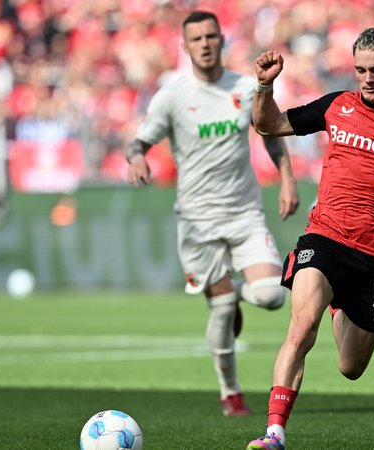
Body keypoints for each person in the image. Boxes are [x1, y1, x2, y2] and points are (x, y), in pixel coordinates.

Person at [246, 27, 374, 450]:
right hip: (325, 238)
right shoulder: (337, 105)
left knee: (351, 366)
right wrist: (264, 86)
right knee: (301, 328)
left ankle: (339, 303)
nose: (368, 79)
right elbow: (268, 125)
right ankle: (274, 433)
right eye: (361, 70)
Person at [125, 10, 299, 417]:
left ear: (222, 40)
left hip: (244, 213)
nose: (204, 44)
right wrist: (136, 159)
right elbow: (138, 142)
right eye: (196, 39)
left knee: (272, 295)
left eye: (210, 36)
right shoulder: (171, 96)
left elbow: (271, 132)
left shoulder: (246, 87)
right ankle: (230, 392)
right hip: (197, 221)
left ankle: (232, 289)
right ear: (185, 46)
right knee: (221, 311)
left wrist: (287, 179)